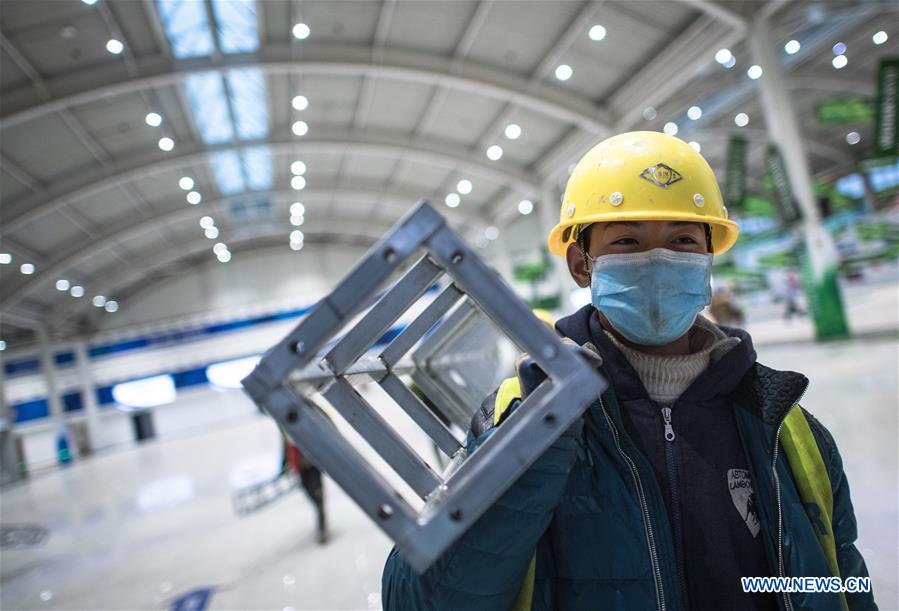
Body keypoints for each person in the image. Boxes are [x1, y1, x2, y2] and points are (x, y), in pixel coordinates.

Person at [381, 132, 876, 610]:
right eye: (626, 240)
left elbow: (842, 584)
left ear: (707, 259)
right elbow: (418, 600)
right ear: (582, 264)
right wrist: (529, 454)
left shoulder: (788, 430)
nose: (657, 259)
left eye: (682, 238)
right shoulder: (520, 413)